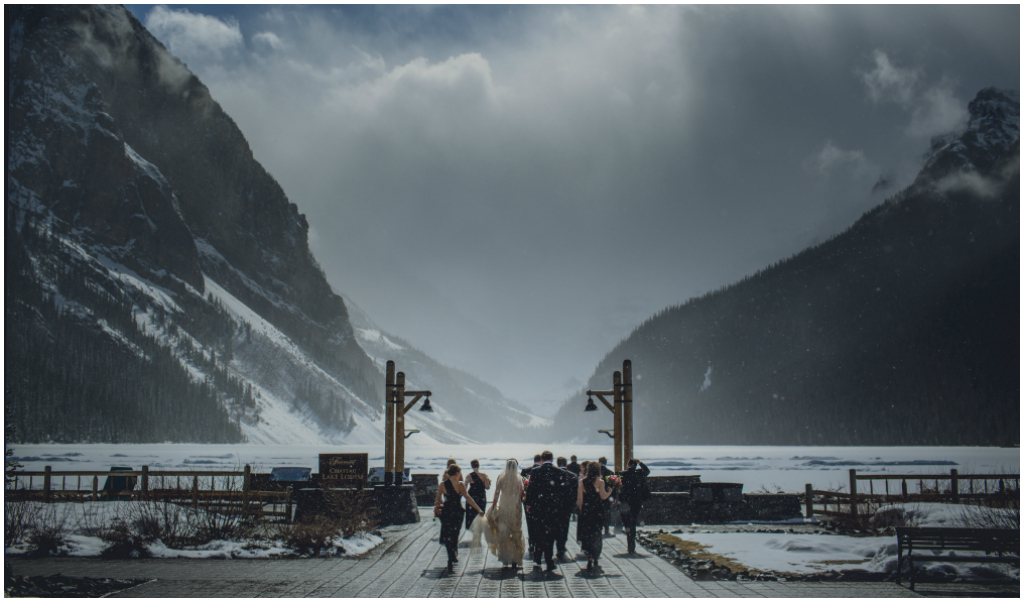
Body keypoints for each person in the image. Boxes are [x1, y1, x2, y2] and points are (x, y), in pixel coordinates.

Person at [523, 450, 574, 572]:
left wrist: (528, 503)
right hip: (554, 509)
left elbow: (531, 489)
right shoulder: (559, 472)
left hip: (539, 508)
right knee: (550, 535)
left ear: (542, 459)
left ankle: (537, 558)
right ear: (552, 459)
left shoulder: (535, 471)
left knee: (539, 532)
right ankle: (549, 560)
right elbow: (565, 490)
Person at [475, 458, 526, 572]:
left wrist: (493, 506)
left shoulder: (501, 477)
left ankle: (506, 558)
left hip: (504, 505)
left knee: (505, 532)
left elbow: (497, 492)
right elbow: (521, 493)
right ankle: (516, 559)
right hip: (515, 506)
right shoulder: (519, 479)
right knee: (516, 531)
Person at [434, 464, 484, 573]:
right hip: (457, 511)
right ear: (457, 473)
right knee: (455, 533)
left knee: (448, 533)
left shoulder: (443, 484)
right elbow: (468, 498)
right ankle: (454, 553)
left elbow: (437, 500)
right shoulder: (460, 484)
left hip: (447, 511)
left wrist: (437, 509)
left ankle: (450, 555)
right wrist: (478, 509)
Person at [578, 462, 612, 573]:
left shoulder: (582, 482)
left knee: (587, 534)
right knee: (597, 533)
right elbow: (603, 496)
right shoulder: (600, 482)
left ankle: (589, 556)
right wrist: (610, 492)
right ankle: (596, 556)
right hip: (597, 511)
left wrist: (581, 510)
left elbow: (580, 500)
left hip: (587, 511)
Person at [617, 458, 651, 554]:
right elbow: (647, 471)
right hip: (636, 501)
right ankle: (631, 545)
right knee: (633, 521)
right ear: (635, 465)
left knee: (627, 521)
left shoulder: (621, 474)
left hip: (625, 502)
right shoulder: (639, 474)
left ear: (627, 465)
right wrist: (640, 462)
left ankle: (630, 541)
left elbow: (614, 486)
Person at [554, 457, 576, 562]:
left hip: (554, 507)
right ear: (566, 464)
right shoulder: (572, 476)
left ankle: (558, 544)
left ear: (558, 464)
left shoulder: (553, 474)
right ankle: (561, 546)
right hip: (567, 507)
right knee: (564, 526)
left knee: (555, 526)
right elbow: (575, 494)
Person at [521, 454, 541, 559]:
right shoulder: (543, 470)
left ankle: (532, 542)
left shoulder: (525, 470)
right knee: (540, 523)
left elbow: (523, 486)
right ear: (541, 460)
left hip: (528, 501)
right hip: (541, 501)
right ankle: (538, 542)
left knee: (530, 523)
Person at [465, 459, 490, 529]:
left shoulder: (469, 476)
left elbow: (465, 486)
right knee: (481, 512)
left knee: (472, 513)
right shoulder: (484, 475)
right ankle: (480, 526)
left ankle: (472, 526)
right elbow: (487, 487)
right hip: (481, 495)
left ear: (472, 466)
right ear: (478, 465)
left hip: (473, 495)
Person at [598, 457, 614, 537]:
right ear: (606, 462)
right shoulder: (610, 473)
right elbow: (614, 486)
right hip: (607, 496)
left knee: (599, 512)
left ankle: (599, 528)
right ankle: (606, 529)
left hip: (597, 496)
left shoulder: (596, 473)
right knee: (607, 513)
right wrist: (613, 497)